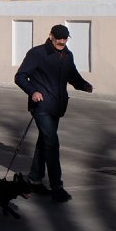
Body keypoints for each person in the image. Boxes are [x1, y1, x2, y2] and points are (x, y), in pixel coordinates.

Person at [14, 24, 93, 203]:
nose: (62, 41)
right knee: (52, 142)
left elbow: (72, 75)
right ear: (51, 36)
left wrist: (84, 85)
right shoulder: (37, 53)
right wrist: (33, 91)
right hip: (41, 106)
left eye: (65, 38)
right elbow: (20, 76)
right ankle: (57, 186)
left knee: (44, 142)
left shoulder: (67, 55)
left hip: (57, 106)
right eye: (59, 38)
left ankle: (34, 179)